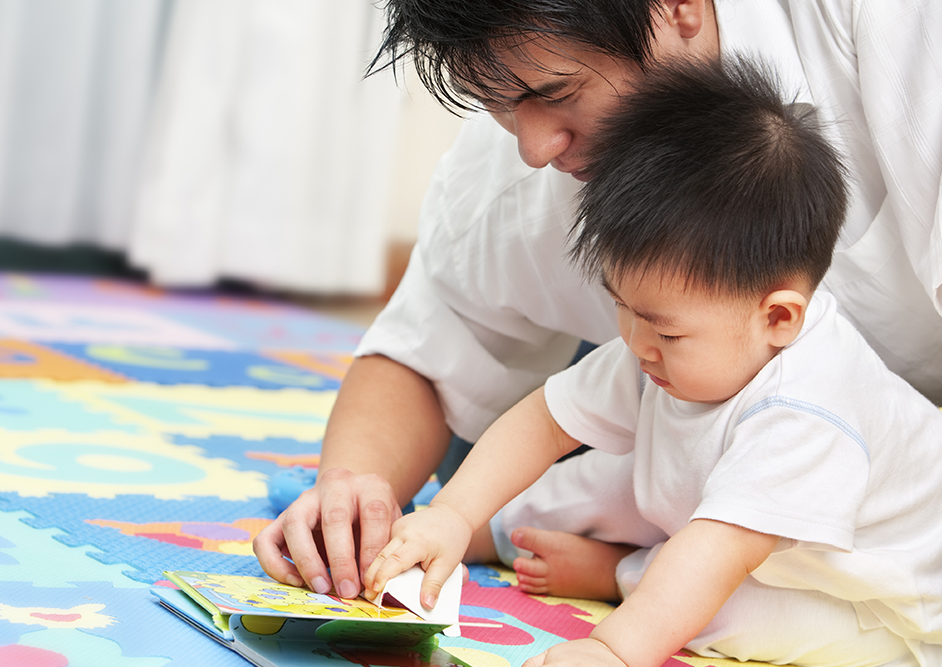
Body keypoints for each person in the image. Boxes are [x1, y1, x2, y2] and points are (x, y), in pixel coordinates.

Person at [254, 0, 942, 605]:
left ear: (676, 7)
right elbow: (427, 353)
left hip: (910, 474)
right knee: (493, 474)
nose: (532, 147)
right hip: (692, 417)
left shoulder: (888, 24)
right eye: (498, 105)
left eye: (556, 92)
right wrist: (353, 489)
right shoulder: (512, 170)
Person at [364, 57, 942, 667]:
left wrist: (612, 650)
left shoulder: (811, 409)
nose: (638, 343)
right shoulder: (672, 343)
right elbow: (545, 422)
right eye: (623, 307)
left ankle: (621, 571)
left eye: (666, 329)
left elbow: (716, 553)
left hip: (877, 596)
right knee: (601, 473)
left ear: (779, 319)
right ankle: (497, 534)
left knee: (726, 609)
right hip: (727, 516)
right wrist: (452, 514)